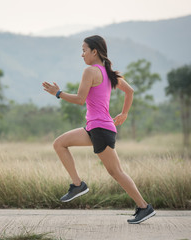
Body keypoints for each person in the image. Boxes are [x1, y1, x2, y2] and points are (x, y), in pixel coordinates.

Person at [42, 35, 155, 224]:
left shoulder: (91, 71)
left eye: (84, 50)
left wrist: (58, 93)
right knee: (60, 144)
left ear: (94, 51)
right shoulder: (110, 74)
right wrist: (124, 113)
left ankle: (144, 207)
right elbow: (130, 91)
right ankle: (77, 185)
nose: (82, 54)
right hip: (94, 128)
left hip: (100, 129)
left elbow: (80, 99)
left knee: (116, 172)